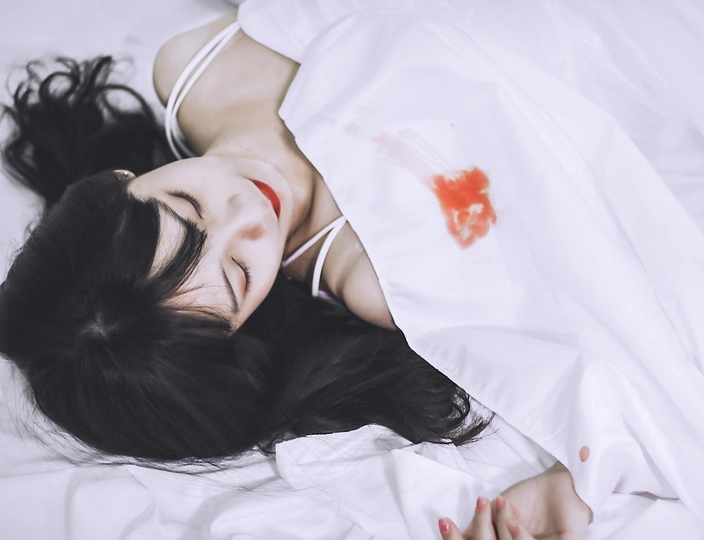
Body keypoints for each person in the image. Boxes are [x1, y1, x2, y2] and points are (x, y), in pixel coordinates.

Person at [0, 9, 593, 539]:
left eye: (188, 207)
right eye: (239, 274)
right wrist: (575, 482)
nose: (249, 215)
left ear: (119, 179)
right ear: (243, 328)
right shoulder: (373, 278)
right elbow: (592, 262)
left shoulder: (195, 70)